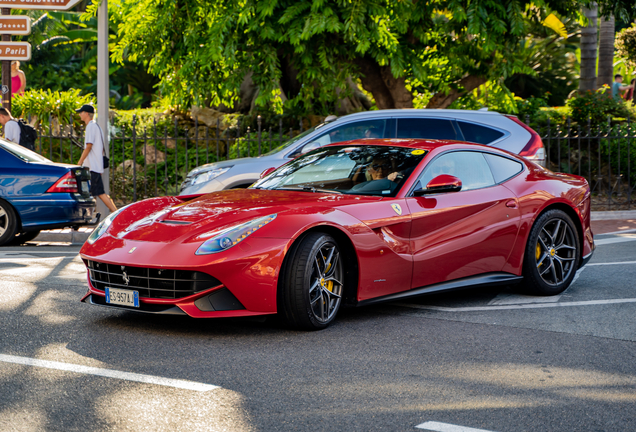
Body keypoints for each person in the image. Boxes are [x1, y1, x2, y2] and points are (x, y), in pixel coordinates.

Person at [76, 104, 117, 213]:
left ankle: (116, 212)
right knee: (91, 192)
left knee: (99, 192)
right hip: (95, 166)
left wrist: (79, 162)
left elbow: (89, 146)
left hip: (92, 167)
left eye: (81, 112)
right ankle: (89, 216)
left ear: (86, 114)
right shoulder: (95, 126)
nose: (80, 114)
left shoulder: (91, 126)